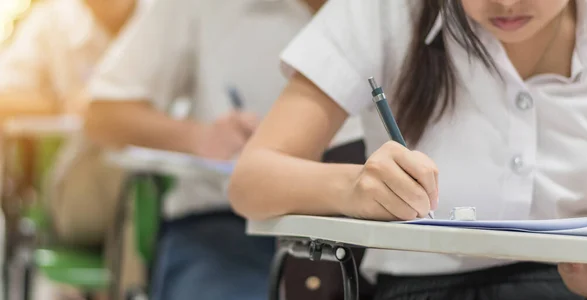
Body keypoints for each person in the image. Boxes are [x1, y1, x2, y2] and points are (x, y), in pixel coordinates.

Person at [228, 0, 587, 299]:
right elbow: (252, 179)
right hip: (421, 286)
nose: (505, 3)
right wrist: (352, 187)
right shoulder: (384, 11)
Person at [84, 0, 363, 299]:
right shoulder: (197, 7)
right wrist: (198, 137)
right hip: (225, 227)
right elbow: (101, 114)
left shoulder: (391, 12)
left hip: (367, 231)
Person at [0, 0, 145, 298]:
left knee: (143, 191)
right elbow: (5, 95)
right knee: (137, 187)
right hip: (80, 189)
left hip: (157, 190)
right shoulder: (53, 22)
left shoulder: (163, 17)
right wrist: (61, 104)